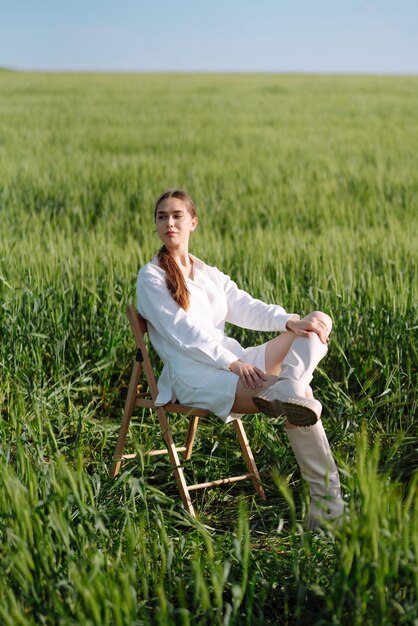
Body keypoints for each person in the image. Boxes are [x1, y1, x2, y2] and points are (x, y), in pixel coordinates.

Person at [137, 188, 345, 529]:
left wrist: (290, 321)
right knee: (301, 398)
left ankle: (290, 384)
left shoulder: (207, 274)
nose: (169, 223)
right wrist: (232, 363)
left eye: (177, 216)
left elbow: (245, 305)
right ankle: (329, 509)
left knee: (317, 321)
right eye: (162, 217)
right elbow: (183, 332)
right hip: (199, 377)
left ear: (193, 222)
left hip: (238, 361)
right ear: (157, 225)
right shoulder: (151, 277)